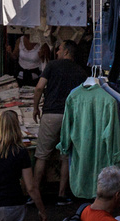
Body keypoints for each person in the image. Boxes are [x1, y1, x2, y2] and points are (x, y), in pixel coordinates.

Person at [33, 40, 85, 204]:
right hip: (70, 116)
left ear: (67, 51)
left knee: (42, 155)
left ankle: (34, 193)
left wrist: (35, 107)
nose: (56, 52)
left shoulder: (52, 66)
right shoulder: (81, 71)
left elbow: (39, 87)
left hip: (51, 115)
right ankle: (62, 195)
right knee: (66, 157)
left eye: (59, 49)